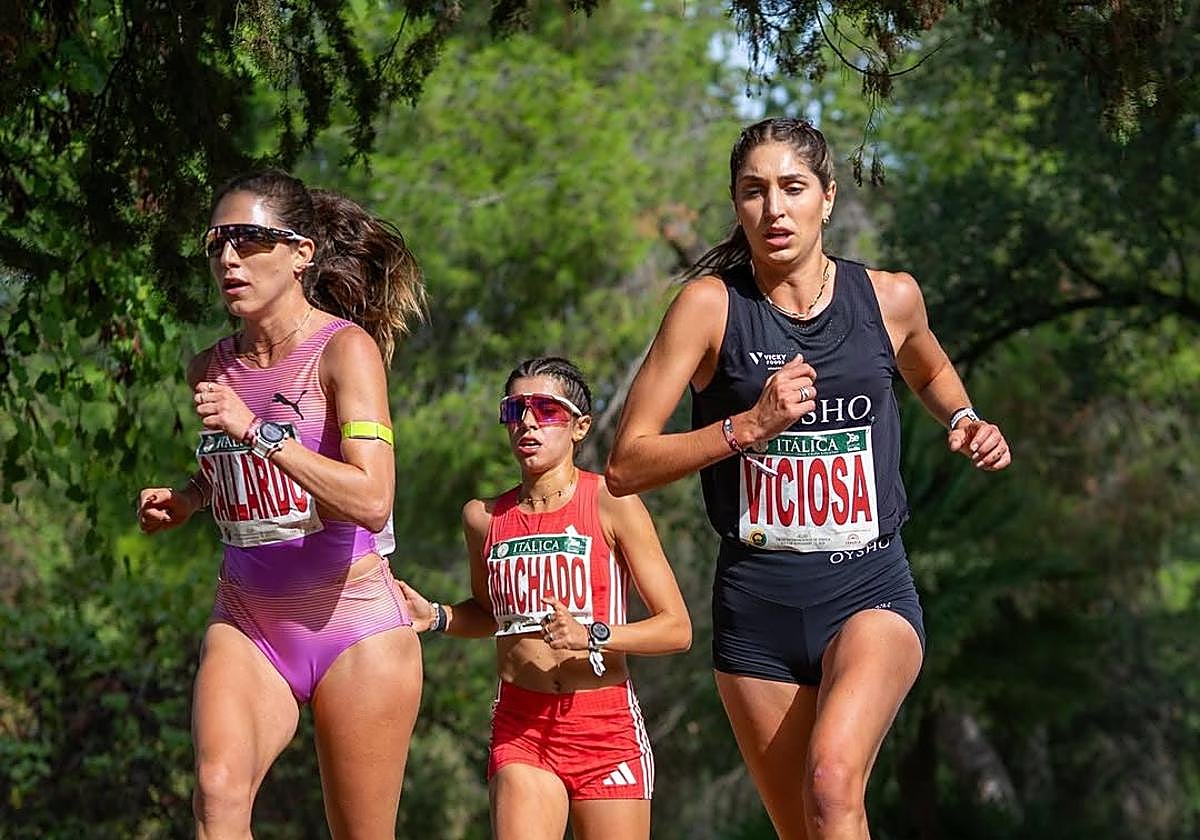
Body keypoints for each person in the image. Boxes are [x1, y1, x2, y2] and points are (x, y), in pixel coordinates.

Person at [605, 117, 1012, 839]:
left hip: (868, 589)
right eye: (753, 192)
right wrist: (746, 428)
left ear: (827, 198)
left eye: (792, 188)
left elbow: (932, 368)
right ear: (736, 206)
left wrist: (963, 417)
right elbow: (626, 463)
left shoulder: (888, 299)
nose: (774, 209)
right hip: (756, 606)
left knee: (831, 785)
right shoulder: (709, 308)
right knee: (806, 827)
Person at [136, 169, 426, 839]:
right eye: (216, 244)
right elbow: (240, 477)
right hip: (250, 615)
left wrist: (256, 431)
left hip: (354, 624)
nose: (228, 259)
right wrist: (189, 497)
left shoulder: (344, 352)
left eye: (249, 240)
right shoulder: (208, 367)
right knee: (216, 796)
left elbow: (372, 499)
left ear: (301, 252)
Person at [396, 357, 691, 840]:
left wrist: (591, 634)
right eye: (515, 410)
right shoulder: (484, 518)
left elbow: (676, 628)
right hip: (522, 726)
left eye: (546, 409)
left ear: (580, 427)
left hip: (605, 727)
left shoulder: (610, 503)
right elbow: (490, 615)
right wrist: (438, 616)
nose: (528, 422)